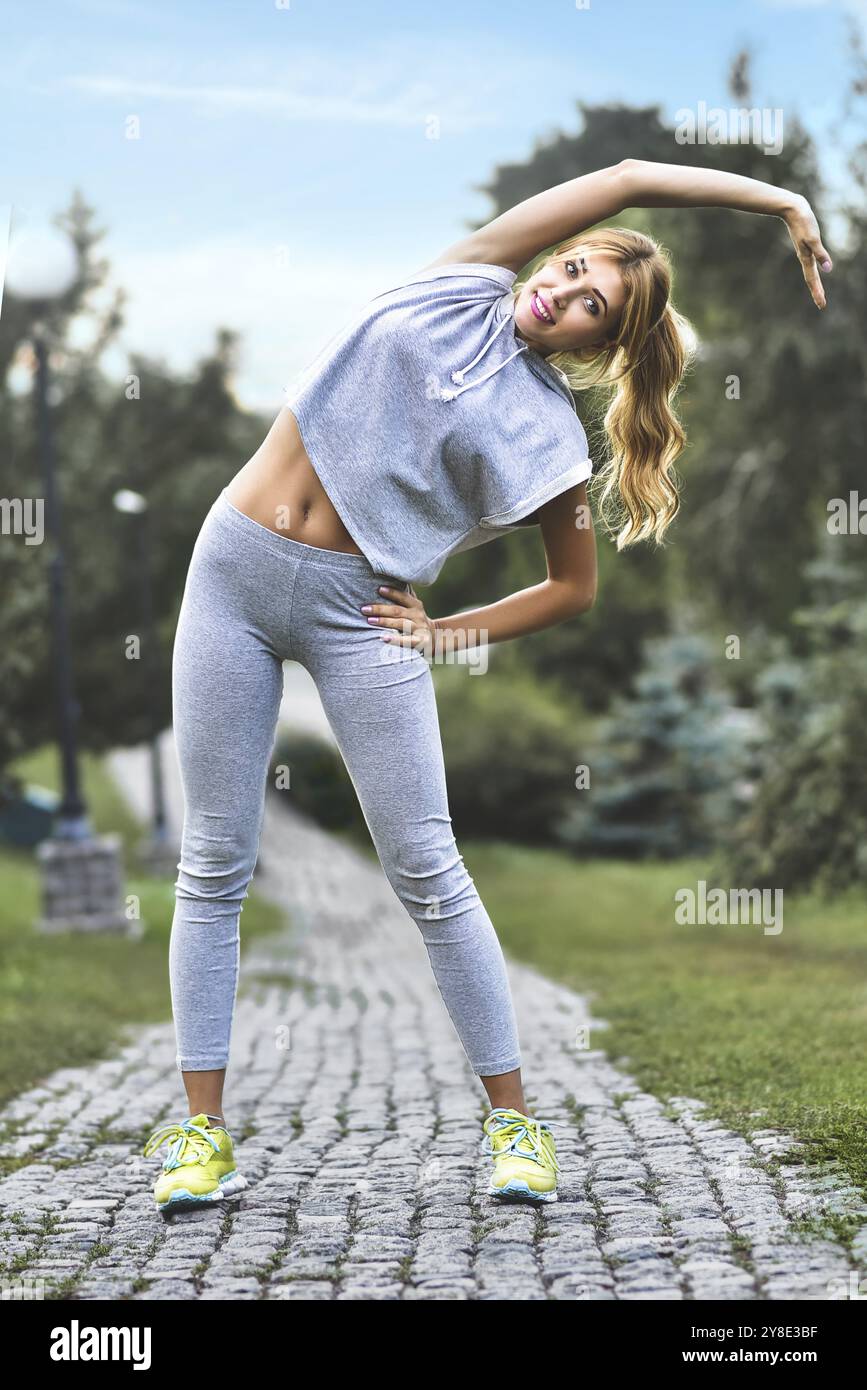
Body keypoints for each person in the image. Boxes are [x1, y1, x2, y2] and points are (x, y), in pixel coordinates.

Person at [143, 158, 831, 1214]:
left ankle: (514, 1124)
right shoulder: (464, 278)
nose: (561, 287)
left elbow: (572, 587)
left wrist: (448, 631)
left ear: (598, 344)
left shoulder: (548, 437)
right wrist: (776, 199)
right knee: (214, 861)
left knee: (426, 865)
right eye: (572, 266)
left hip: (360, 610)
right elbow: (628, 177)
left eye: (589, 301)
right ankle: (202, 1132)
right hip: (228, 570)